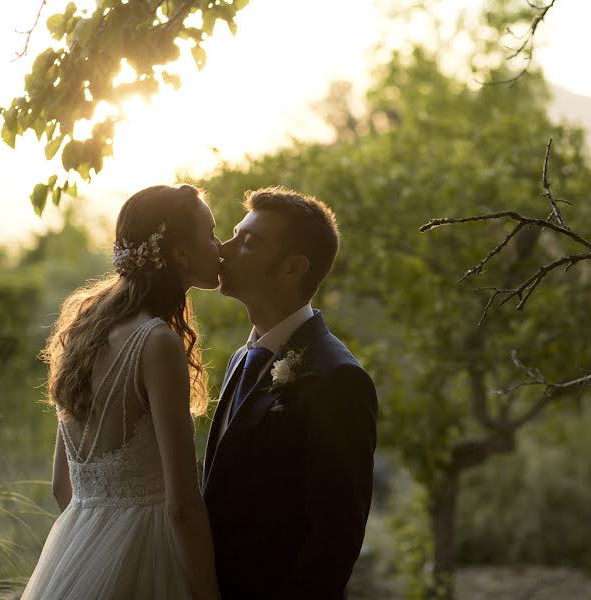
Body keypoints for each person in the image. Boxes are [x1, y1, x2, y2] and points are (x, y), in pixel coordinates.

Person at [22, 184, 221, 600]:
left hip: (77, 548)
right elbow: (183, 505)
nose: (219, 246)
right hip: (150, 556)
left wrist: (101, 549)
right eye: (211, 233)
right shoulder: (156, 342)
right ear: (181, 253)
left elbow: (64, 487)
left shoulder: (84, 329)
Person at [203, 185, 378, 599]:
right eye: (233, 235)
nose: (224, 250)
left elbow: (335, 540)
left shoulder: (336, 377)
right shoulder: (239, 360)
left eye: (248, 242)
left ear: (292, 268)